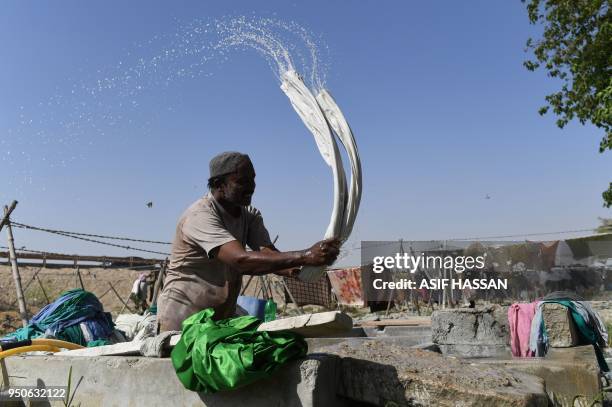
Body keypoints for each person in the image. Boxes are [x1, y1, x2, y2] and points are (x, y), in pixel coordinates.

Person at [157, 151, 340, 331]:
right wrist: (306, 256)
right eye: (242, 182)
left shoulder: (249, 215)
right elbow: (241, 261)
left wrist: (302, 270)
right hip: (183, 320)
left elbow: (268, 254)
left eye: (253, 179)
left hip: (218, 319)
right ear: (219, 184)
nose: (251, 187)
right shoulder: (199, 216)